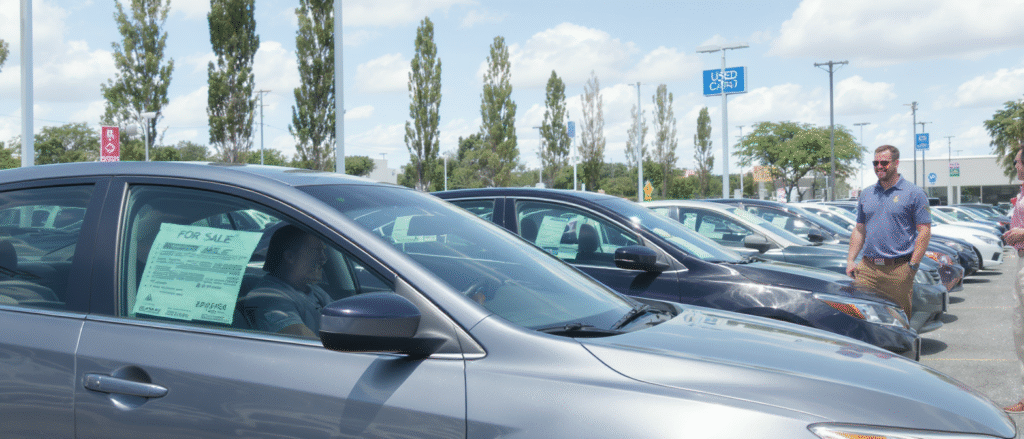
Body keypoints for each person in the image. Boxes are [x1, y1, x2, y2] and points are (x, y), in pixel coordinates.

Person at [846, 144, 931, 317]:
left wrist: (912, 266)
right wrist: (850, 260)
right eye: (875, 163)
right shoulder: (866, 194)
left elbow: (924, 231)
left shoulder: (914, 193)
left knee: (897, 319)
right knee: (862, 318)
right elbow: (860, 229)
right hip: (867, 270)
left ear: (896, 163)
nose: (879, 167)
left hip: (898, 270)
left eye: (884, 163)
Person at [242, 224, 332, 338]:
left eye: (323, 252)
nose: (323, 258)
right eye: (316, 251)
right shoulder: (269, 297)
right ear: (290, 257)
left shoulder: (312, 290)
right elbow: (301, 340)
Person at [1001, 145, 1024, 413]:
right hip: (1020, 261)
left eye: (1017, 162)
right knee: (1020, 332)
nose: (1016, 166)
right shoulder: (1021, 193)